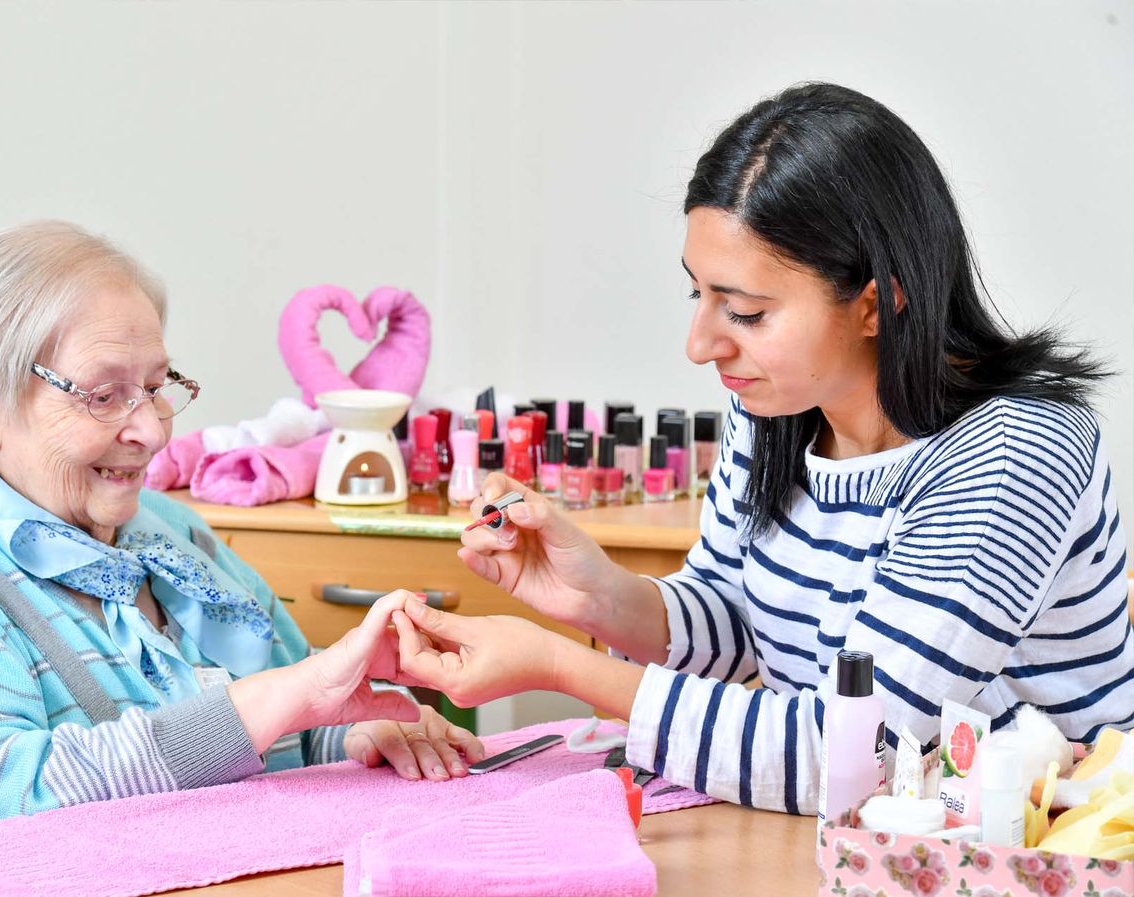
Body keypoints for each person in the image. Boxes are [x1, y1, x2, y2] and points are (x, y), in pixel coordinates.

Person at [394, 82, 1133, 816]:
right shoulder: (777, 407)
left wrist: (560, 664)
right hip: (861, 850)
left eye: (745, 311)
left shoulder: (1014, 454)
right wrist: (598, 596)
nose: (701, 344)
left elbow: (842, 757)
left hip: (1043, 850)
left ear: (877, 301)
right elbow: (741, 621)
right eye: (699, 296)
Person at [0, 222, 482, 884]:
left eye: (155, 387)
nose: (150, 431)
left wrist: (356, 735)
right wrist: (260, 706)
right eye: (103, 394)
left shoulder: (166, 533)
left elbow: (288, 713)